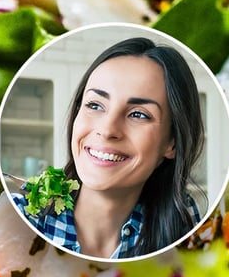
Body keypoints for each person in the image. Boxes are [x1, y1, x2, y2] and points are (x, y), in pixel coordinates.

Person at [11, 36, 205, 259]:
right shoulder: (18, 216)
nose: (107, 129)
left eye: (138, 114)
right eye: (95, 105)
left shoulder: (186, 227)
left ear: (172, 143)